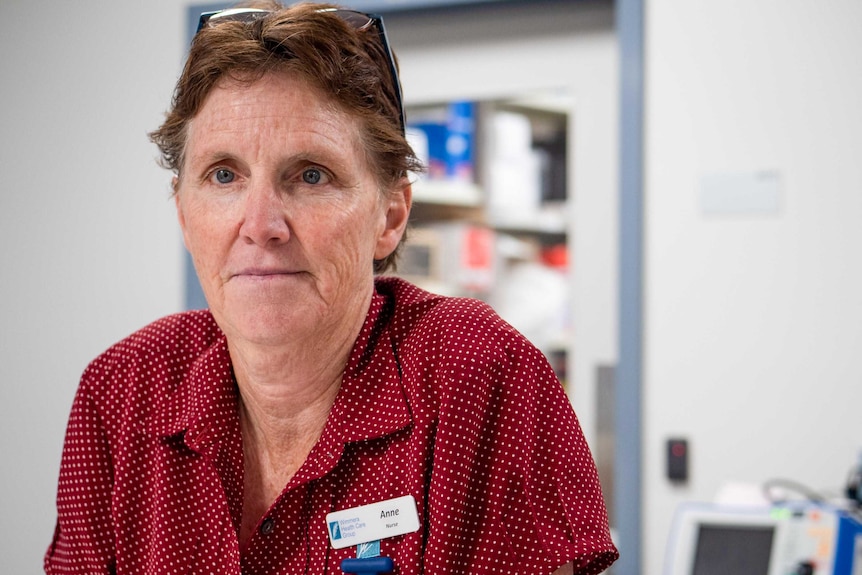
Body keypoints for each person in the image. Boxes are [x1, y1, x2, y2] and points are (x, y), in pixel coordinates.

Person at [45, 2, 618, 574]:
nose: (261, 225)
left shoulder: (476, 374)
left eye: (311, 175)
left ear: (390, 215)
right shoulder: (122, 392)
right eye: (224, 174)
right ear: (183, 212)